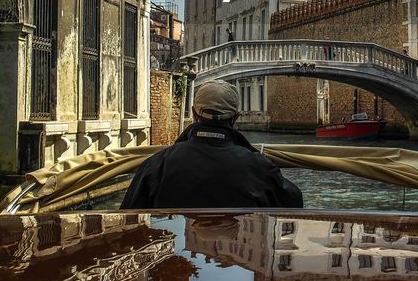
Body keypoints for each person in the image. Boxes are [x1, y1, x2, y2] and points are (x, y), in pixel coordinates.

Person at [120, 80, 303, 209]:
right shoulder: (259, 167)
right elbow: (294, 200)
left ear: (194, 114)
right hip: (237, 260)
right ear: (235, 119)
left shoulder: (158, 164)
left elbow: (129, 214)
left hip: (179, 259)